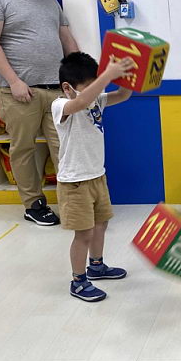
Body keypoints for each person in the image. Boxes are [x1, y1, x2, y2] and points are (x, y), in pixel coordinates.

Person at [0, 0, 80, 226]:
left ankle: (74, 203)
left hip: (57, 89)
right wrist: (14, 81)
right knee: (23, 149)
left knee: (65, 147)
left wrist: (79, 79)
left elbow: (66, 39)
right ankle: (33, 205)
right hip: (19, 91)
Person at [52, 52, 136, 302]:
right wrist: (107, 76)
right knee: (84, 234)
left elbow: (122, 95)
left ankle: (96, 266)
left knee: (101, 224)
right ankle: (78, 281)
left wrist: (129, 78)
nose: (96, 89)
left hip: (97, 176)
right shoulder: (60, 105)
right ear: (67, 88)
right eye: (89, 86)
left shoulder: (95, 100)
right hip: (74, 182)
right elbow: (80, 102)